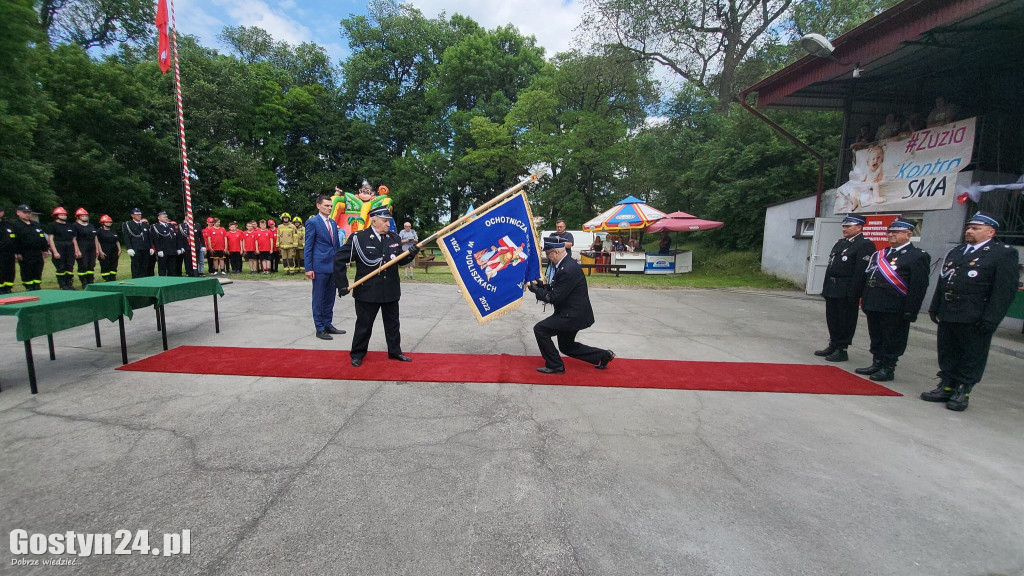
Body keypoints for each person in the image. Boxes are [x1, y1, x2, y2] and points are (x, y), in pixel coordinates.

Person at [922, 212, 1020, 411]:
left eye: (976, 228)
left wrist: (992, 319)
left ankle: (963, 389)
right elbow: (943, 281)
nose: (969, 231)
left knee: (971, 354)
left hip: (975, 315)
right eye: (968, 227)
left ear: (991, 232)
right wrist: (935, 306)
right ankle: (947, 385)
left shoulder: (1002, 253)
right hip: (949, 311)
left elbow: (1004, 291)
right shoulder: (957, 252)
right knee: (948, 351)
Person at [334, 206, 416, 366]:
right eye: (385, 221)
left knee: (393, 324)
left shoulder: (393, 238)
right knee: (364, 325)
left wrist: (411, 253)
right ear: (374, 221)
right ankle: (357, 354)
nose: (388, 224)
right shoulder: (359, 238)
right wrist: (342, 284)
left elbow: (400, 261)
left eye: (388, 221)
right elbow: (339, 259)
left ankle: (395, 351)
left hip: (390, 289)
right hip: (367, 290)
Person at [855, 218, 931, 382]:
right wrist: (866, 301)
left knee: (892, 337)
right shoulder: (880, 254)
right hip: (875, 302)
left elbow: (918, 286)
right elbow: (869, 278)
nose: (891, 235)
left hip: (895, 305)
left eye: (896, 232)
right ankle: (877, 362)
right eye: (890, 232)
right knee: (876, 335)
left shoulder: (916, 256)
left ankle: (888, 367)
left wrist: (911, 309)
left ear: (909, 234)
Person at [528, 235, 615, 374]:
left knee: (540, 330)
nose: (547, 257)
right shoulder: (565, 264)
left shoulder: (567, 269)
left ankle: (555, 364)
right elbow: (559, 289)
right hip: (573, 312)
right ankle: (603, 356)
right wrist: (542, 286)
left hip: (572, 315)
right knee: (567, 347)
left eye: (548, 254)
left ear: (556, 252)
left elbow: (555, 297)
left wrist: (537, 291)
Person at [814, 214, 876, 362]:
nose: (845, 229)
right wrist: (825, 287)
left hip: (847, 289)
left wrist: (854, 292)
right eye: (844, 226)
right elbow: (831, 266)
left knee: (845, 319)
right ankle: (833, 343)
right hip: (833, 287)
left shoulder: (864, 244)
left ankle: (842, 348)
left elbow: (861, 272)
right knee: (833, 318)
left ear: (859, 227)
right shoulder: (840, 243)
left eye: (849, 226)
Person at [305, 195, 346, 340]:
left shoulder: (333, 223)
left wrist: (340, 262)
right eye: (326, 205)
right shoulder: (312, 222)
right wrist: (308, 267)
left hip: (332, 266)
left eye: (330, 206)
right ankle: (320, 328)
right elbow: (308, 246)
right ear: (318, 206)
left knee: (330, 297)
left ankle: (328, 324)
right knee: (319, 298)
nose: (329, 208)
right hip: (319, 266)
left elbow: (336, 245)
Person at [12, 205, 49, 291]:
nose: (27, 215)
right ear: (18, 213)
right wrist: (17, 252)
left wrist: (45, 249)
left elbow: (41, 237)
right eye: (24, 212)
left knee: (38, 268)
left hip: (37, 251)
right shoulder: (16, 225)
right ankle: (29, 286)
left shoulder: (35, 224)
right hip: (25, 252)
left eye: (29, 213)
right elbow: (15, 240)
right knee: (27, 270)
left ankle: (37, 285)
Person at [47, 206, 80, 290]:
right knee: (61, 267)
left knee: (70, 266)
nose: (64, 216)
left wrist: (76, 250)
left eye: (65, 215)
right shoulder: (52, 225)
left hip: (69, 247)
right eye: (61, 215)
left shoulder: (70, 226)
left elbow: (74, 239)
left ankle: (69, 283)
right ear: (56, 216)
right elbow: (51, 239)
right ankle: (62, 284)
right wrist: (55, 252)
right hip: (59, 246)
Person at [71, 208, 99, 287]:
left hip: (91, 247)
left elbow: (95, 237)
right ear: (78, 217)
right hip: (82, 247)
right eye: (82, 216)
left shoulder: (91, 225)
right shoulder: (75, 226)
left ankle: (90, 281)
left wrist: (97, 249)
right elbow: (74, 239)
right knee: (83, 265)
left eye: (86, 216)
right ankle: (84, 282)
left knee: (91, 265)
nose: (85, 217)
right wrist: (77, 250)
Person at [122, 208, 151, 278]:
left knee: (145, 266)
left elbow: (148, 237)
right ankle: (136, 279)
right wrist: (129, 248)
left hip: (145, 248)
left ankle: (144, 279)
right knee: (136, 266)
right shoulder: (128, 224)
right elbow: (126, 237)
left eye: (140, 214)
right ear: (132, 215)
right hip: (136, 248)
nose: (139, 216)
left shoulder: (144, 224)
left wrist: (150, 247)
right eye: (137, 214)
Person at [150, 211, 177, 276]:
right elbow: (155, 239)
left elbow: (175, 238)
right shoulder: (155, 226)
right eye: (164, 216)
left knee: (172, 268)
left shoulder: (171, 226)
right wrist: (158, 250)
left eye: (166, 216)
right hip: (163, 250)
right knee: (162, 268)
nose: (166, 217)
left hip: (172, 250)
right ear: (159, 218)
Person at [96, 215, 120, 282]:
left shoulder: (113, 231)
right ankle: (106, 278)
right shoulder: (99, 231)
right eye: (107, 222)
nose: (109, 223)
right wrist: (100, 251)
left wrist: (119, 250)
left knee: (114, 264)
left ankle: (113, 277)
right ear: (103, 223)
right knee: (105, 264)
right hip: (104, 249)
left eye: (110, 222)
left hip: (114, 250)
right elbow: (97, 242)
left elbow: (117, 240)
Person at [0, 207, 15, 295]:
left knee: (10, 270)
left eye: (0, 211)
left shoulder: (8, 224)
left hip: (9, 252)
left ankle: (8, 288)